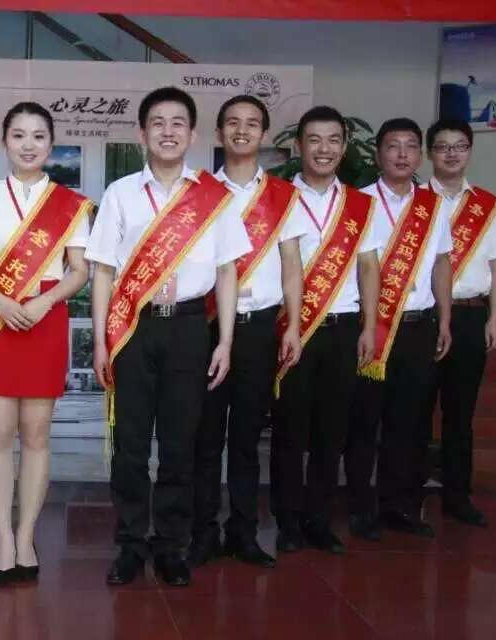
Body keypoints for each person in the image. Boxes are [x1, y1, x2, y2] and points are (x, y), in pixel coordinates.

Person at [88, 86, 252, 587]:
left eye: (177, 123)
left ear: (193, 134)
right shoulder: (120, 193)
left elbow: (227, 272)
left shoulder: (213, 197)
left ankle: (170, 546)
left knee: (181, 442)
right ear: (142, 134)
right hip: (133, 328)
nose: (167, 131)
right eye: (157, 123)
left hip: (188, 327)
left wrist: (225, 341)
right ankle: (131, 544)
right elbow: (103, 271)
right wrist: (101, 341)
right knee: (131, 444)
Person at [0, 102, 92, 585]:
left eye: (38, 136)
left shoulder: (69, 204)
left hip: (44, 319)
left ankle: (27, 535)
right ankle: (3, 540)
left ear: (51, 144)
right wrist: (1, 302)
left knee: (36, 435)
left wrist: (43, 301)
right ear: (4, 142)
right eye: (18, 135)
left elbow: (79, 270)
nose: (28, 145)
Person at [189, 95, 305, 569]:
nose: (242, 130)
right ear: (219, 133)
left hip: (259, 328)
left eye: (252, 123)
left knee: (246, 435)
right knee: (205, 435)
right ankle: (202, 532)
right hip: (206, 326)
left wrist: (294, 324)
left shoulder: (283, 196)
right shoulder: (198, 191)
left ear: (264, 134)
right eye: (233, 123)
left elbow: (292, 265)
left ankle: (243, 532)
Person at [269, 106, 381, 556]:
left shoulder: (360, 204)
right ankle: (287, 521)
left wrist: (369, 326)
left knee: (331, 431)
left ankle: (318, 519)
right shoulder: (276, 197)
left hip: (342, 328)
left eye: (333, 140)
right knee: (289, 430)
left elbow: (369, 267)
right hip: (291, 329)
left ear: (345, 146)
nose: (324, 149)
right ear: (299, 145)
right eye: (314, 140)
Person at [345, 118, 453, 541]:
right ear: (378, 154)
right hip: (372, 327)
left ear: (420, 154)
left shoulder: (433, 206)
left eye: (411, 146)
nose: (402, 154)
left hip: (418, 326)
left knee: (407, 422)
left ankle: (399, 506)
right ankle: (360, 508)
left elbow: (442, 263)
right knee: (365, 421)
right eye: (393, 146)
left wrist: (445, 318)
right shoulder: (359, 203)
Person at [421, 118, 496, 527]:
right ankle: (406, 496)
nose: (451, 154)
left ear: (469, 152)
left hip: (471, 315)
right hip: (424, 317)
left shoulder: (486, 205)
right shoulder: (415, 201)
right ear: (430, 153)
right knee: (416, 410)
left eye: (459, 146)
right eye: (443, 147)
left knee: (460, 413)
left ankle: (458, 497)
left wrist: (495, 318)